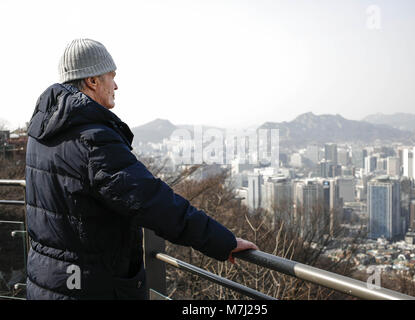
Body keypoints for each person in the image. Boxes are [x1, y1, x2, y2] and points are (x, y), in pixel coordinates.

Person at [25, 38, 257, 300]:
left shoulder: (41, 131)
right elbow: (151, 200)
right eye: (110, 76)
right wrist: (221, 241)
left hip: (47, 278)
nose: (116, 85)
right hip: (92, 285)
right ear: (92, 81)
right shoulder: (92, 137)